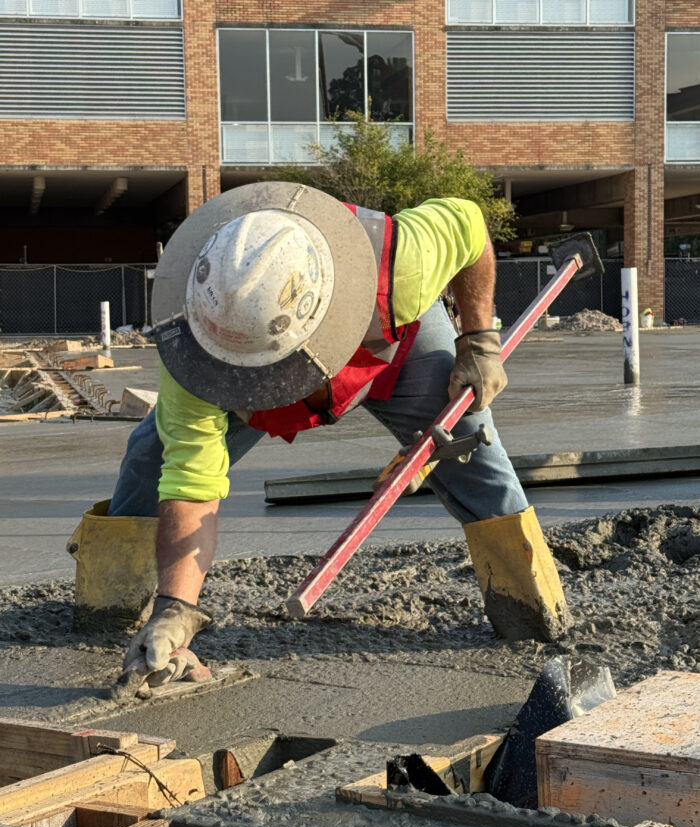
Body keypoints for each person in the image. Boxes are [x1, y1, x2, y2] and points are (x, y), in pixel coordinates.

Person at [69, 182, 569, 689]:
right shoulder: (195, 354)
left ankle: (532, 615)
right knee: (149, 459)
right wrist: (177, 608)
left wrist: (478, 338)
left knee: (475, 459)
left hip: (398, 352)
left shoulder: (399, 264)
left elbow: (469, 224)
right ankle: (111, 611)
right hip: (239, 377)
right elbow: (189, 486)